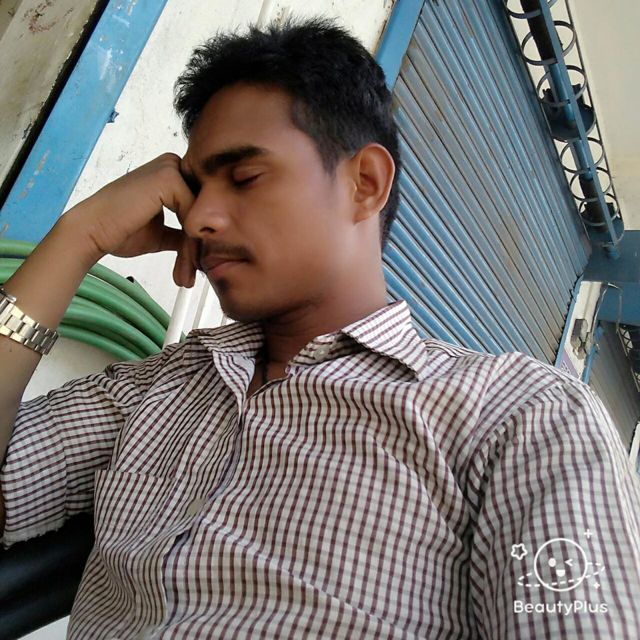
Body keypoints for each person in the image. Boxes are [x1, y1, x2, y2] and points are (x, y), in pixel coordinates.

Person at [0, 16, 639, 640]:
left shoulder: (520, 420)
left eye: (244, 178)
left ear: (365, 183)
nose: (198, 220)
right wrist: (78, 237)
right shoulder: (161, 386)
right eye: (194, 190)